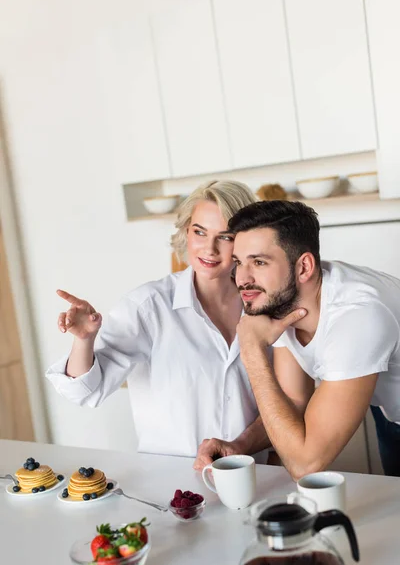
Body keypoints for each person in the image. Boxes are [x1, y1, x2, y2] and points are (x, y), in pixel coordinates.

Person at [46, 180, 272, 461]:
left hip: (251, 475)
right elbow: (85, 391)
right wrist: (84, 340)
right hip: (172, 484)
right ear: (186, 232)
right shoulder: (148, 307)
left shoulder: (265, 304)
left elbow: (284, 400)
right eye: (199, 232)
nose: (209, 249)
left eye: (225, 236)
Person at [196, 199, 400, 478]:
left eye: (258, 262)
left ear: (304, 267)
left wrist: (252, 350)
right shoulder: (283, 303)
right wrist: (239, 445)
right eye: (239, 263)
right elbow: (293, 401)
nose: (242, 279)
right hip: (391, 416)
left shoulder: (358, 318)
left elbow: (305, 463)